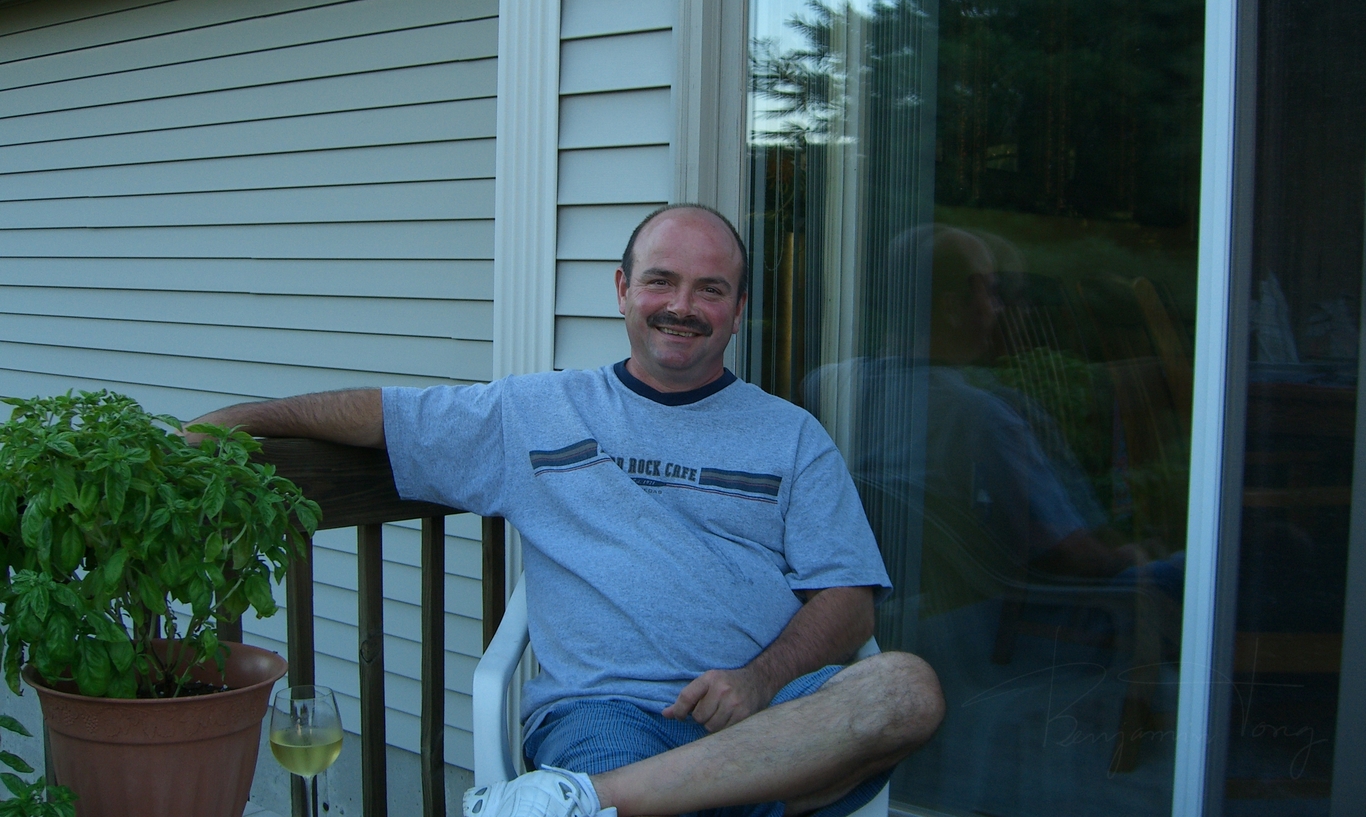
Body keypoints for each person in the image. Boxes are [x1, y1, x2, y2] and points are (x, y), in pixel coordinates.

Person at [189, 204, 945, 817]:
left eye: (711, 289)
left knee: (906, 688)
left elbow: (849, 600)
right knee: (800, 771)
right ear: (622, 290)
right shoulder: (534, 412)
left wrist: (757, 679)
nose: (682, 306)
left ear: (739, 309)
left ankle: (583, 802)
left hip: (768, 708)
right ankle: (670, 794)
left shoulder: (792, 435)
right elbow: (381, 415)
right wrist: (242, 420)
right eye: (661, 281)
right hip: (605, 711)